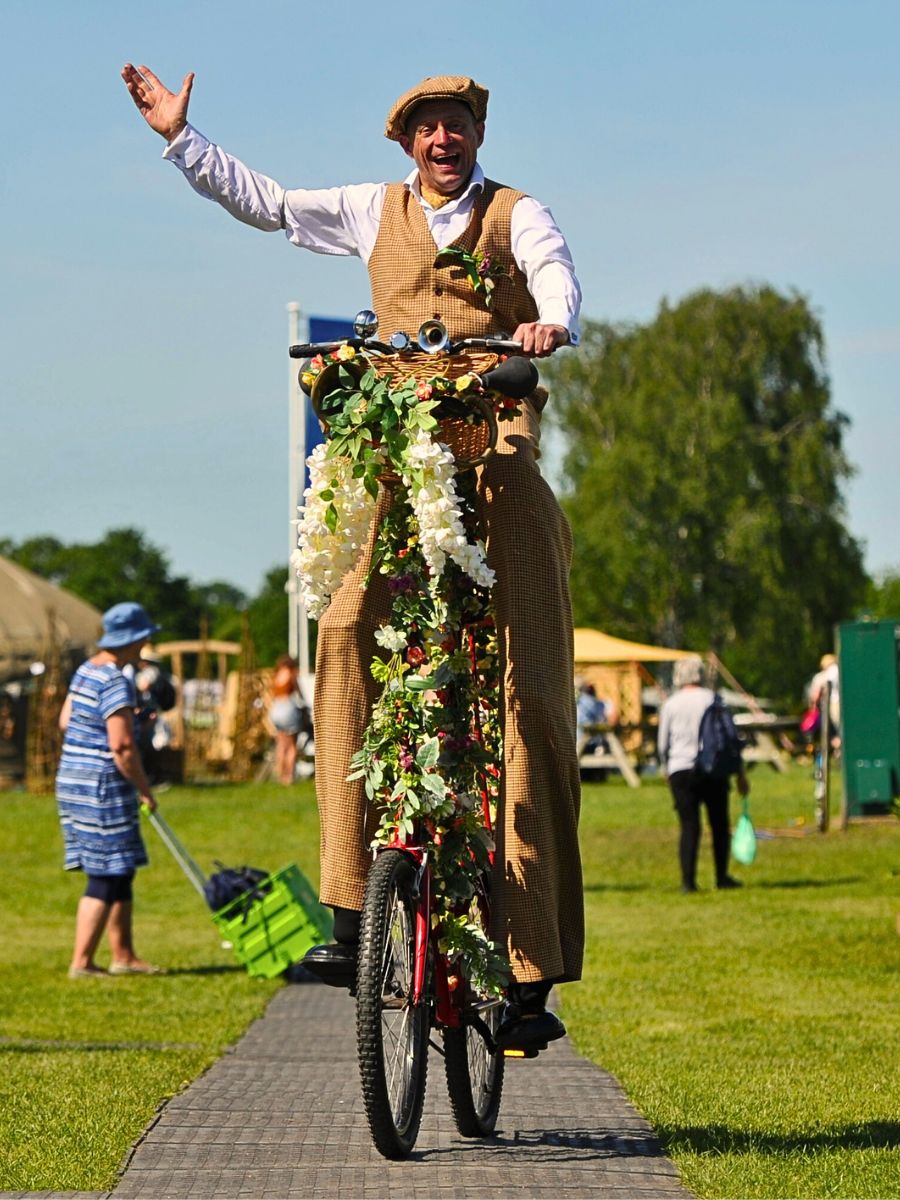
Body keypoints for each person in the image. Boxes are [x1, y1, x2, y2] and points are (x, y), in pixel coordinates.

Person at [123, 68, 583, 1049]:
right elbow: (271, 204)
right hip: (399, 446)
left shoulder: (517, 213)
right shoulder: (373, 213)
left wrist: (547, 327)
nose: (441, 141)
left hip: (491, 446)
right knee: (339, 633)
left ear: (476, 131)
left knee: (531, 692)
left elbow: (555, 276)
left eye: (456, 125)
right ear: (406, 143)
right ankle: (349, 910)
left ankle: (532, 969)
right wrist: (182, 139)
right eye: (426, 129)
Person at [55, 602, 164, 977]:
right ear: (134, 639)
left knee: (120, 869)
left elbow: (66, 720)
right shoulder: (117, 680)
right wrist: (145, 789)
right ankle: (82, 962)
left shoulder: (87, 670)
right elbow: (121, 749)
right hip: (103, 784)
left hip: (73, 779)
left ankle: (124, 955)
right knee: (104, 873)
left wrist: (120, 720)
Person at [657, 656, 748, 893]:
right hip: (713, 768)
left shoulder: (671, 704)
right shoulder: (714, 700)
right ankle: (722, 876)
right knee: (719, 824)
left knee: (689, 826)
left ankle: (688, 881)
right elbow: (730, 740)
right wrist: (740, 773)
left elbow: (662, 744)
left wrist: (665, 767)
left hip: (680, 769)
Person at [268, 654, 309, 785]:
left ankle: (281, 775)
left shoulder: (276, 675)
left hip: (275, 710)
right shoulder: (291, 674)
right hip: (288, 710)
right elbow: (300, 694)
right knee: (292, 746)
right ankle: (289, 777)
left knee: (281, 745)